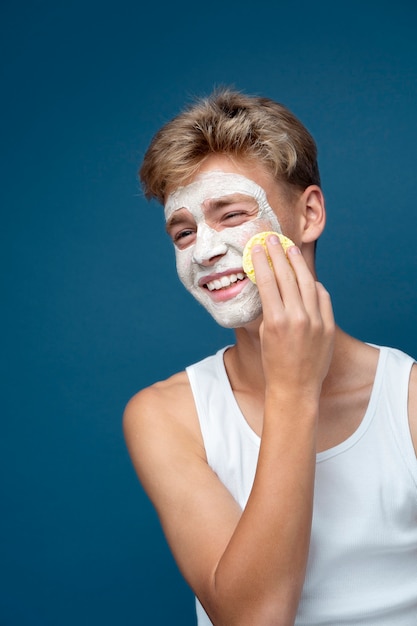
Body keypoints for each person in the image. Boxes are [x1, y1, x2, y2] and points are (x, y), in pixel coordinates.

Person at [123, 87, 417, 625]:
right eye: (183, 231)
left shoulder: (410, 400)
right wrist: (293, 389)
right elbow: (253, 619)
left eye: (230, 215)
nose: (204, 250)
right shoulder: (166, 416)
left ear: (308, 214)